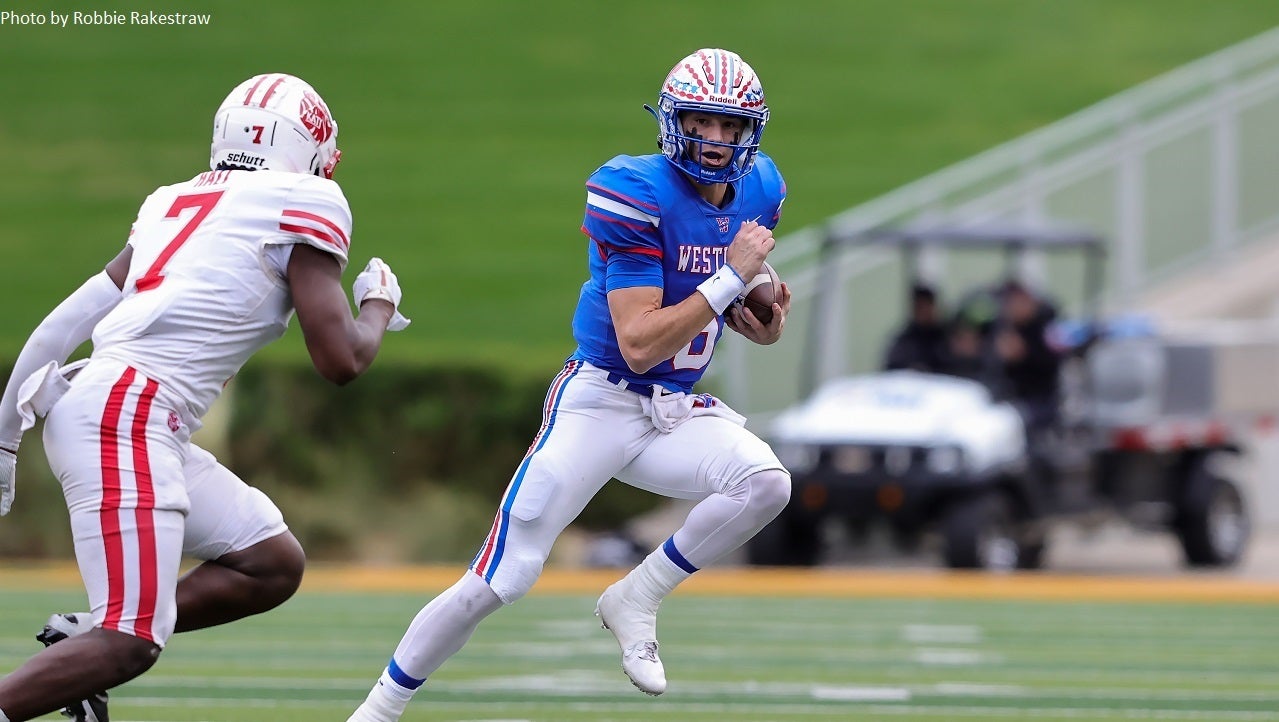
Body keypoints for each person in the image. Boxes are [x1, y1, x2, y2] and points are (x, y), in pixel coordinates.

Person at [346, 48, 792, 721]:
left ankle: (636, 596)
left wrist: (759, 305)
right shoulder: (633, 189)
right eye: (703, 122)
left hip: (674, 410)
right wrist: (731, 278)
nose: (716, 140)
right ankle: (376, 712)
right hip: (602, 400)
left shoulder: (761, 188)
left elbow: (744, 304)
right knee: (503, 577)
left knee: (766, 483)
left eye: (731, 127)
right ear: (674, 121)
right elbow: (639, 344)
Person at [0, 73, 410, 722]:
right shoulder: (306, 199)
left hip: (111, 404)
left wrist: (4, 435)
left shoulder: (174, 200)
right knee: (132, 639)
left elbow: (64, 321)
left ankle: (82, 640)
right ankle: (87, 650)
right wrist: (379, 307)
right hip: (129, 414)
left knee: (269, 564)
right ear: (304, 145)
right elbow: (340, 361)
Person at [993, 280, 1062, 434]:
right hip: (1010, 395)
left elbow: (1052, 363)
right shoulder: (1006, 328)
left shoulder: (1045, 329)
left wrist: (1024, 354)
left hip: (1040, 398)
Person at [882, 283, 951, 373]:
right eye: (919, 307)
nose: (924, 312)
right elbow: (892, 369)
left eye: (927, 306)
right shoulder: (904, 341)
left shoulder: (948, 337)